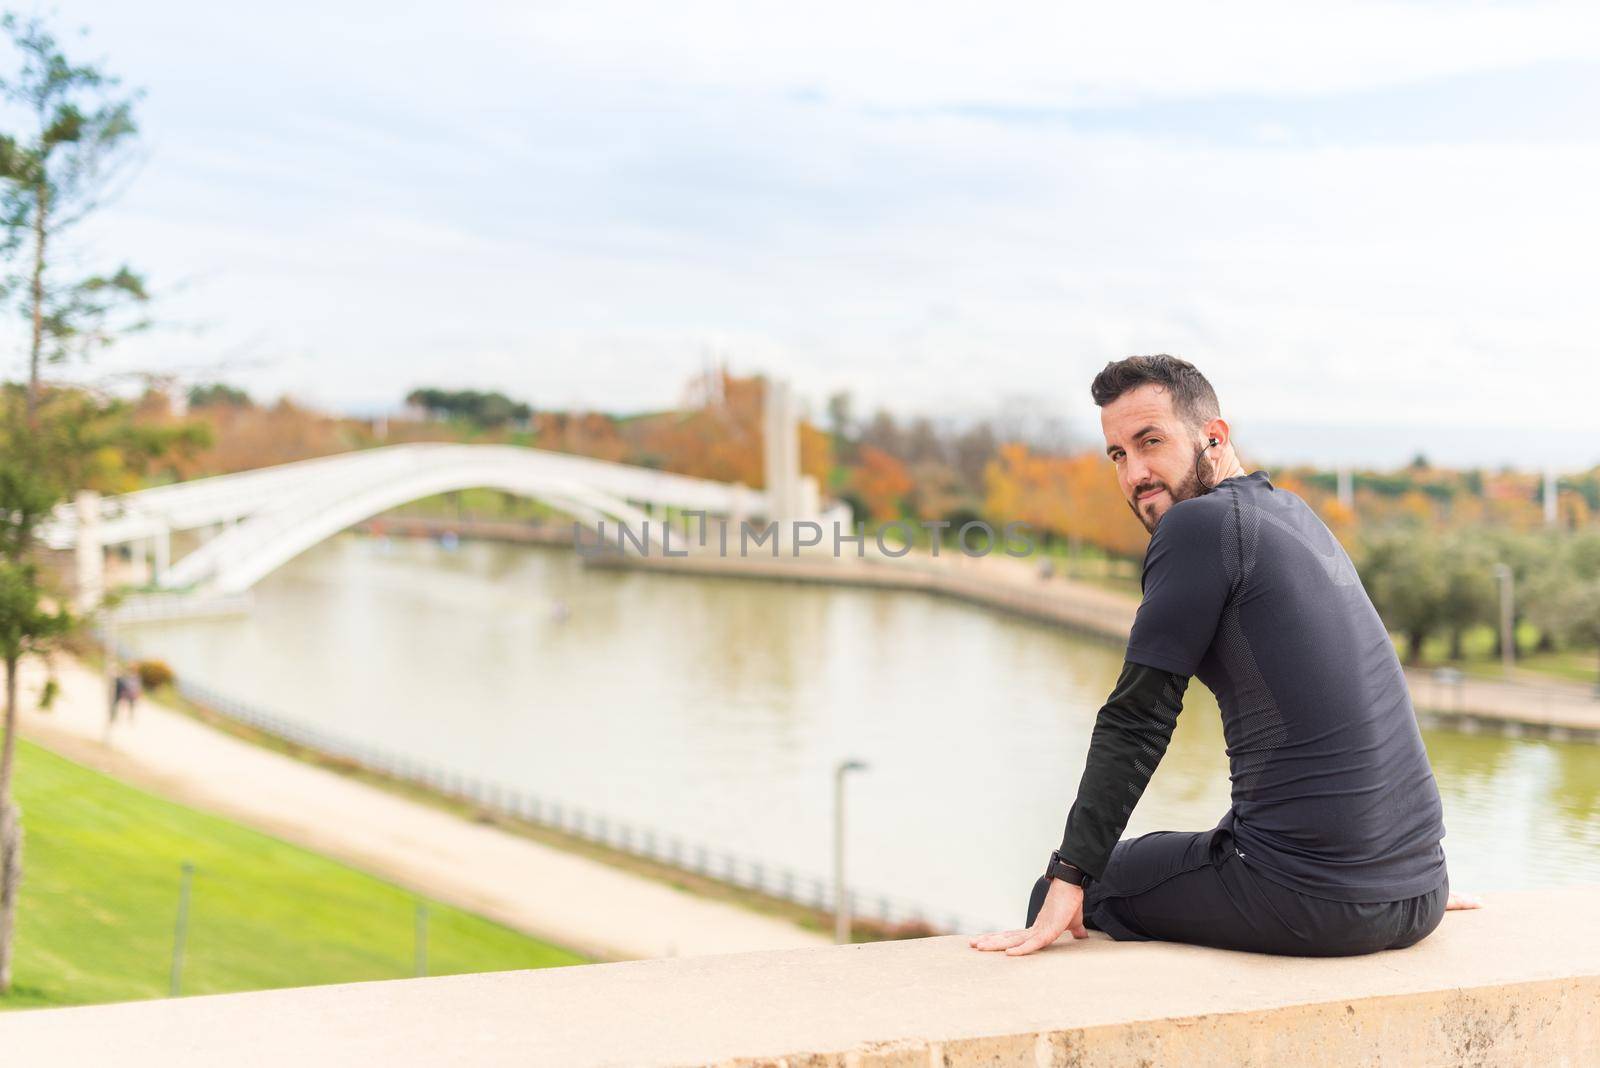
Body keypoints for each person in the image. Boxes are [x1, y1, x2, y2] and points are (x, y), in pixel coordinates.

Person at [969, 355, 1481, 959]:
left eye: (1150, 442)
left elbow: (1138, 718)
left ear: (1214, 436)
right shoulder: (1292, 512)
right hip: (1420, 891)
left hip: (1312, 900)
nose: (1134, 473)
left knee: (1067, 892)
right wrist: (1394, 870)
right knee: (1180, 847)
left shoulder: (1195, 528)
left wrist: (1068, 875)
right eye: (1117, 454)